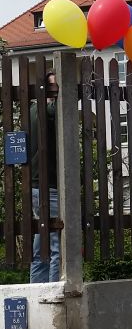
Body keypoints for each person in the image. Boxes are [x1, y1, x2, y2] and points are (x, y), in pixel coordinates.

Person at [30, 70, 60, 282]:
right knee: (57, 244)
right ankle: (56, 290)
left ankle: (36, 289)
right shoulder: (48, 111)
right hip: (49, 186)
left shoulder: (33, 109)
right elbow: (56, 110)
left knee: (41, 242)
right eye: (56, 87)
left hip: (37, 185)